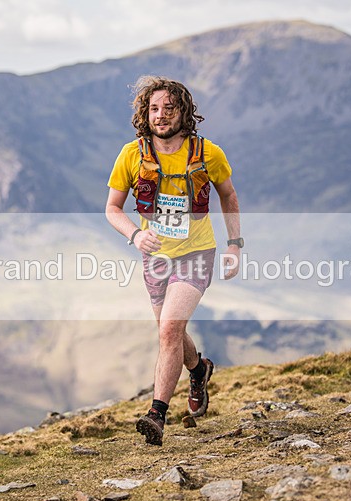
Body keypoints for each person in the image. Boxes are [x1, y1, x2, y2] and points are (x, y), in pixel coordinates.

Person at [105, 75, 243, 446]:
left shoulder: (208, 153)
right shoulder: (131, 155)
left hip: (197, 253)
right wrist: (135, 234)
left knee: (168, 330)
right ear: (144, 115)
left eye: (169, 108)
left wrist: (235, 244)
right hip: (156, 258)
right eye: (154, 109)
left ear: (184, 111)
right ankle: (198, 371)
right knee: (171, 332)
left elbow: (228, 196)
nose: (161, 116)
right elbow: (112, 209)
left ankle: (156, 415)